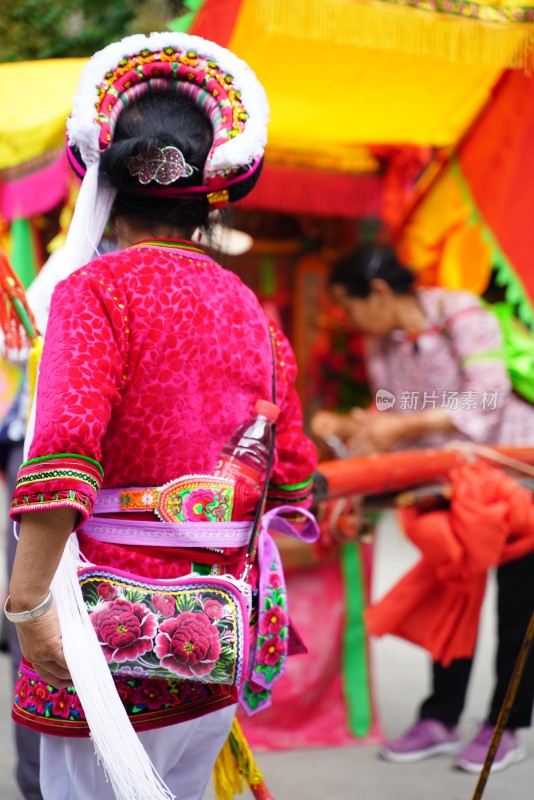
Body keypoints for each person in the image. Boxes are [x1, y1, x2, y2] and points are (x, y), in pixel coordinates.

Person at [4, 32, 317, 800]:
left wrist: (26, 602)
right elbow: (296, 470)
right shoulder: (250, 309)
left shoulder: (94, 292)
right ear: (210, 196)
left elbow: (65, 450)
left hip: (104, 629)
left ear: (104, 182)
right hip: (210, 638)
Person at [311, 243, 534, 773]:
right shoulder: (380, 343)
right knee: (451, 591)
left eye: (352, 304)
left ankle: (507, 725)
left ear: (381, 292)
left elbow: (487, 397)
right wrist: (352, 426)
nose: (351, 318)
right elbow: (394, 409)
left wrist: (400, 425)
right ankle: (441, 715)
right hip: (446, 481)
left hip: (517, 474)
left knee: (518, 604)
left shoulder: (461, 312)